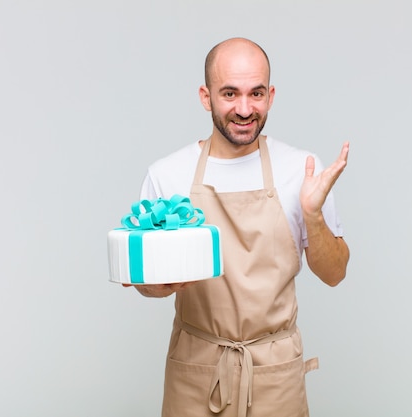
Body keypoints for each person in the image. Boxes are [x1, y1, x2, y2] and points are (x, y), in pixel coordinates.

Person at [126, 37, 350, 417]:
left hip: (274, 372)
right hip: (197, 369)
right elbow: (146, 284)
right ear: (206, 96)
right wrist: (159, 284)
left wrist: (312, 215)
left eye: (256, 93)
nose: (245, 109)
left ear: (271, 95)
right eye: (229, 93)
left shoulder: (302, 169)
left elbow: (335, 274)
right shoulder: (167, 174)